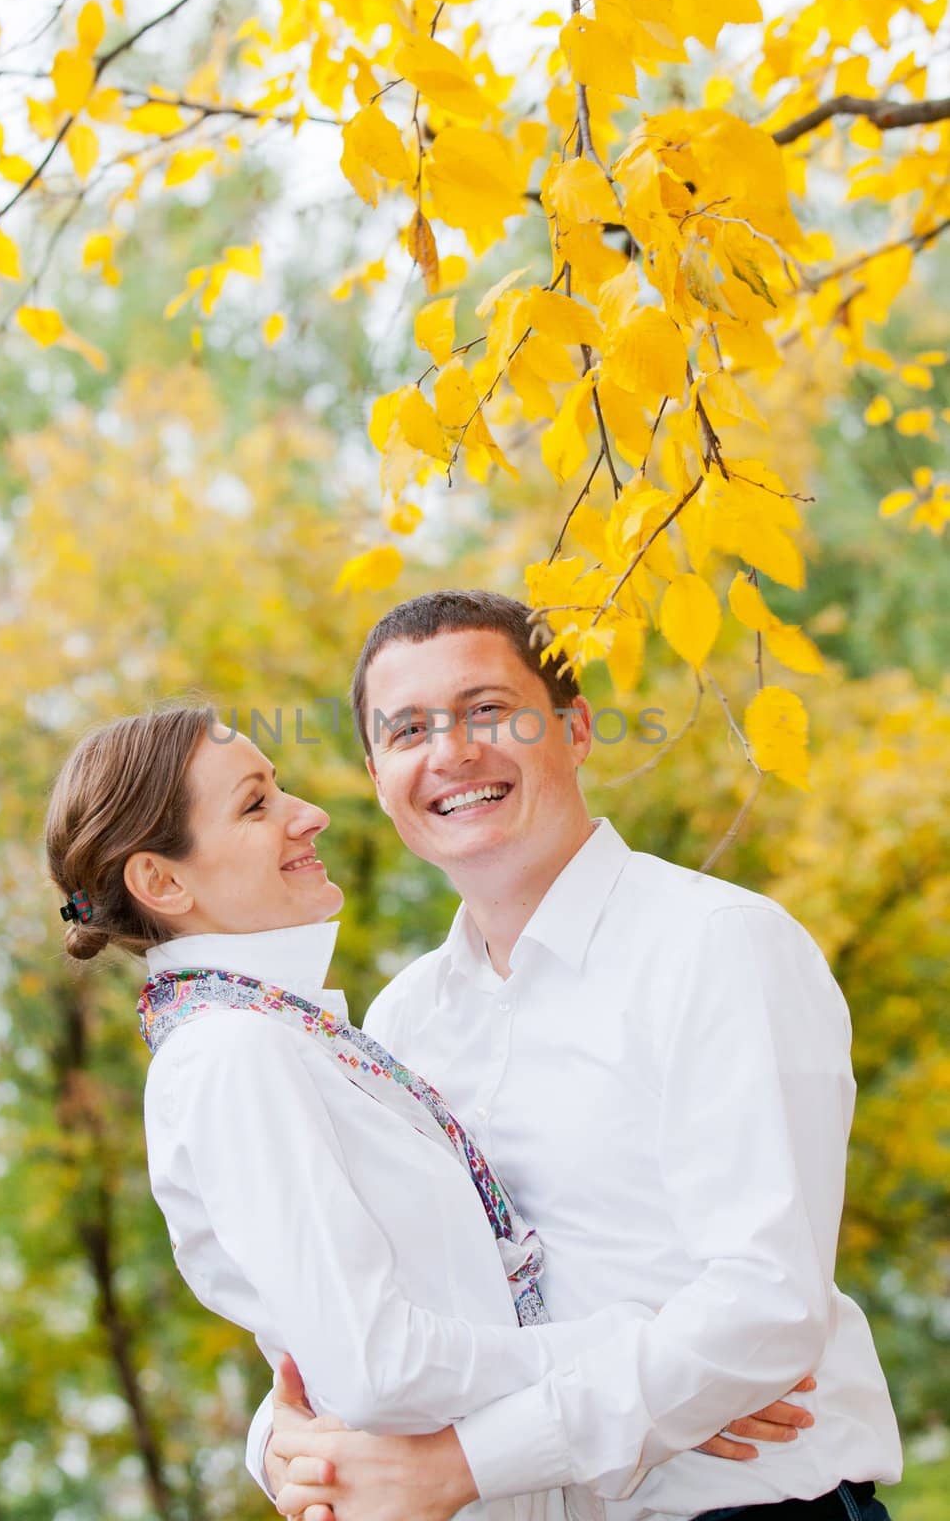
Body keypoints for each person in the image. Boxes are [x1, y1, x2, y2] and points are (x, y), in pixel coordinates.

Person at [44, 706, 802, 1521]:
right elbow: (377, 1368)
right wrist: (644, 1355)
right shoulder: (234, 1056)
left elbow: (344, 1347)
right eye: (256, 804)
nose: (310, 813)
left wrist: (672, 1385)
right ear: (162, 882)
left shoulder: (307, 1040)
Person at [258, 590, 901, 1521]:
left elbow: (763, 1307)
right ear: (376, 772)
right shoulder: (398, 1025)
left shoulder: (718, 946)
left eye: (487, 710)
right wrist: (287, 1448)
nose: (452, 752)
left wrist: (468, 1464)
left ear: (577, 727)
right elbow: (372, 1304)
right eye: (407, 730)